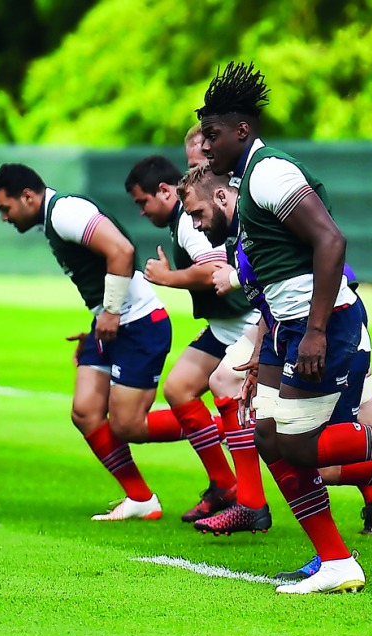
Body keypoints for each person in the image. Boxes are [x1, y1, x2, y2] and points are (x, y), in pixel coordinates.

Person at [196, 62, 372, 594]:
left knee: (302, 447)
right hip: (286, 325)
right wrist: (268, 345)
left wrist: (316, 331)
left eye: (212, 134)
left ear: (242, 130)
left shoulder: (270, 172)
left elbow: (331, 241)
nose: (205, 146)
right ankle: (336, 561)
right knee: (267, 437)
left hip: (319, 321)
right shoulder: (249, 177)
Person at [180, 164, 372, 550]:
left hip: (327, 329)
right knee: (315, 440)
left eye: (197, 213)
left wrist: (311, 333)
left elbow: (330, 262)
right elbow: (273, 301)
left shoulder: (263, 213)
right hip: (295, 333)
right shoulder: (243, 231)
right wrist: (265, 358)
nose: (195, 224)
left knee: (319, 454)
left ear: (222, 192)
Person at [0, 162, 176, 520]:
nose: (4, 217)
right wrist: (99, 322)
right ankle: (141, 499)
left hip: (138, 322)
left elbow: (121, 250)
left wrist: (110, 311)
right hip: (110, 324)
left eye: (5, 208)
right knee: (86, 412)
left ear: (27, 196)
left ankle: (223, 428)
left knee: (128, 425)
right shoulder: (54, 218)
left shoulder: (65, 212)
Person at [124, 154, 268, 525]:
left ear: (164, 191)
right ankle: (225, 484)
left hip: (249, 322)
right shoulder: (185, 218)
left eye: (142, 202)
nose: (142, 211)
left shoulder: (190, 221)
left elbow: (216, 270)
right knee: (179, 389)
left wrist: (167, 278)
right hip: (224, 325)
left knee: (301, 426)